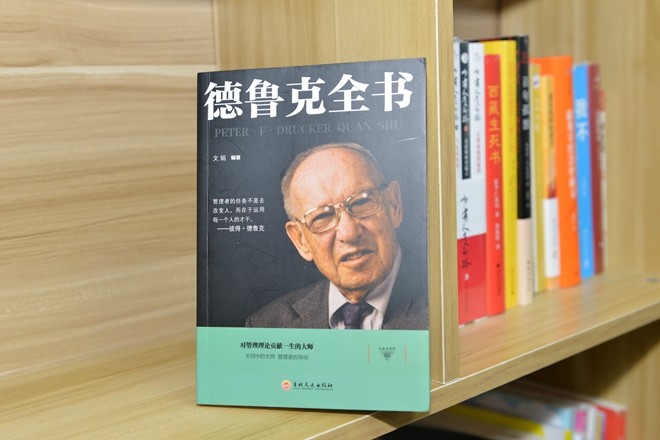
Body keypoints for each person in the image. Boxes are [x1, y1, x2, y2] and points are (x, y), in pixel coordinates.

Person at [245, 142, 428, 330]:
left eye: (362, 202)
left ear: (394, 206)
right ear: (300, 240)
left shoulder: (444, 301)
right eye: (322, 217)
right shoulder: (267, 325)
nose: (349, 233)